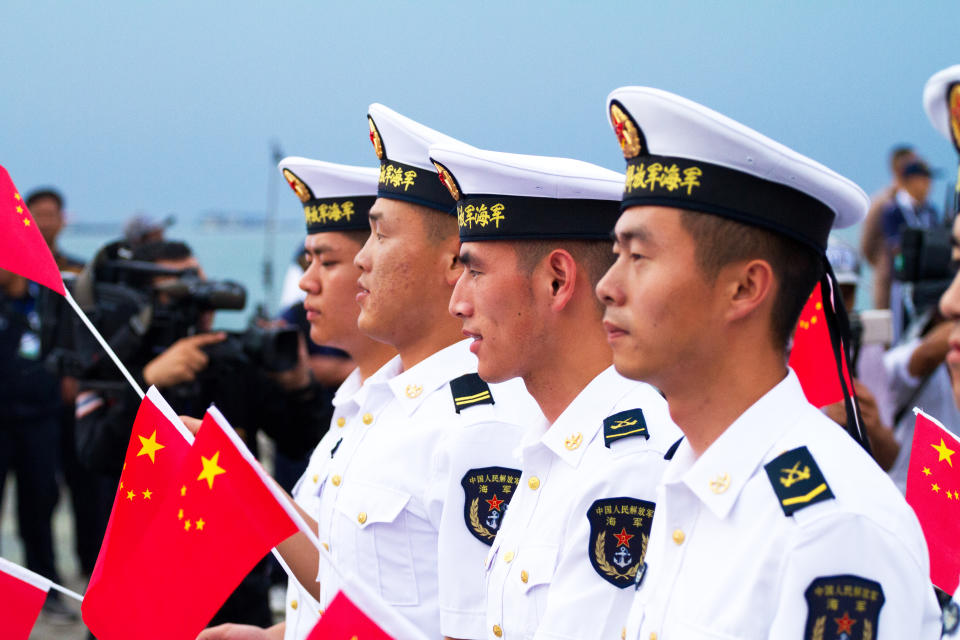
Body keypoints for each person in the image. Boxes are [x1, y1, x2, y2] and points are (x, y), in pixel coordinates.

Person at [597, 86, 940, 638]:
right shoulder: (687, 472)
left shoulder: (828, 528)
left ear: (744, 288)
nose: (607, 287)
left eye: (639, 257)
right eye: (615, 255)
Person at [275, 104, 541, 640]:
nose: (362, 262)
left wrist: (247, 498)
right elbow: (368, 592)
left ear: (451, 263)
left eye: (381, 236)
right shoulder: (378, 403)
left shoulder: (477, 422)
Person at [431, 142, 681, 639]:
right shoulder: (550, 443)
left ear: (556, 280)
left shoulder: (624, 463)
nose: (457, 302)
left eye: (475, 270)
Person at [74, 239, 331, 629]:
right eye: (180, 293)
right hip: (138, 579)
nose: (202, 307)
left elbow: (300, 441)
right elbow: (95, 454)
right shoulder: (112, 362)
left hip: (235, 582)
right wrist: (147, 386)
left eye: (204, 289)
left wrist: (299, 384)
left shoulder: (228, 363)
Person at [199, 157, 396, 640]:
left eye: (328, 262)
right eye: (308, 262)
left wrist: (237, 474)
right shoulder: (358, 405)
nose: (307, 281)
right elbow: (360, 589)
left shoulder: (450, 416)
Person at [860, 146, 916, 309]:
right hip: (887, 282)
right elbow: (867, 244)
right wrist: (883, 262)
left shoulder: (912, 203)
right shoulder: (883, 203)